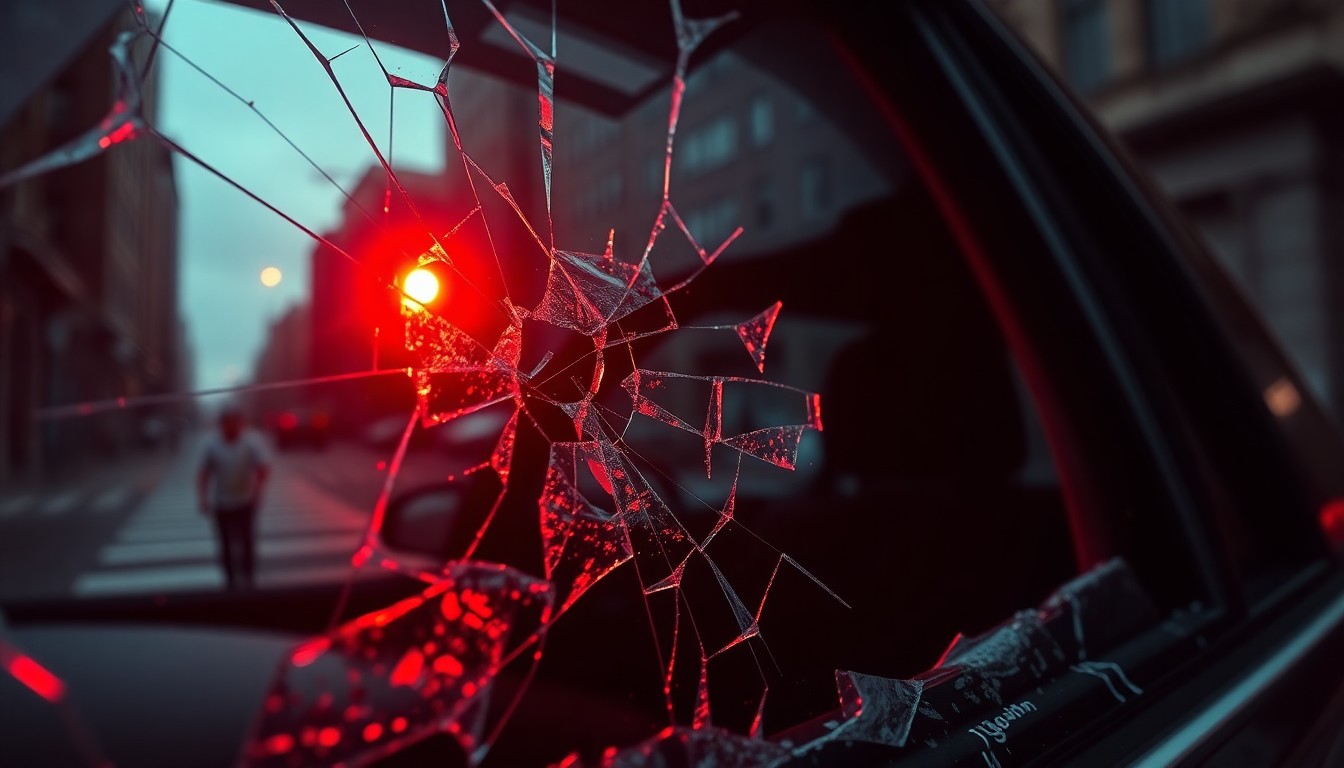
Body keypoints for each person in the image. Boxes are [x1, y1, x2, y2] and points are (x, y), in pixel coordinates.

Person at [197, 404, 270, 590]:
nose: (232, 426)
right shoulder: (212, 444)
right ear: (222, 425)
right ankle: (229, 582)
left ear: (241, 423)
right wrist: (203, 498)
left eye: (235, 422)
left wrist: (257, 491)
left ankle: (248, 577)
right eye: (227, 422)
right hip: (223, 504)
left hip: (245, 501)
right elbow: (204, 473)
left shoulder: (251, 442)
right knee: (226, 544)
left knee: (247, 541)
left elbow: (263, 468)